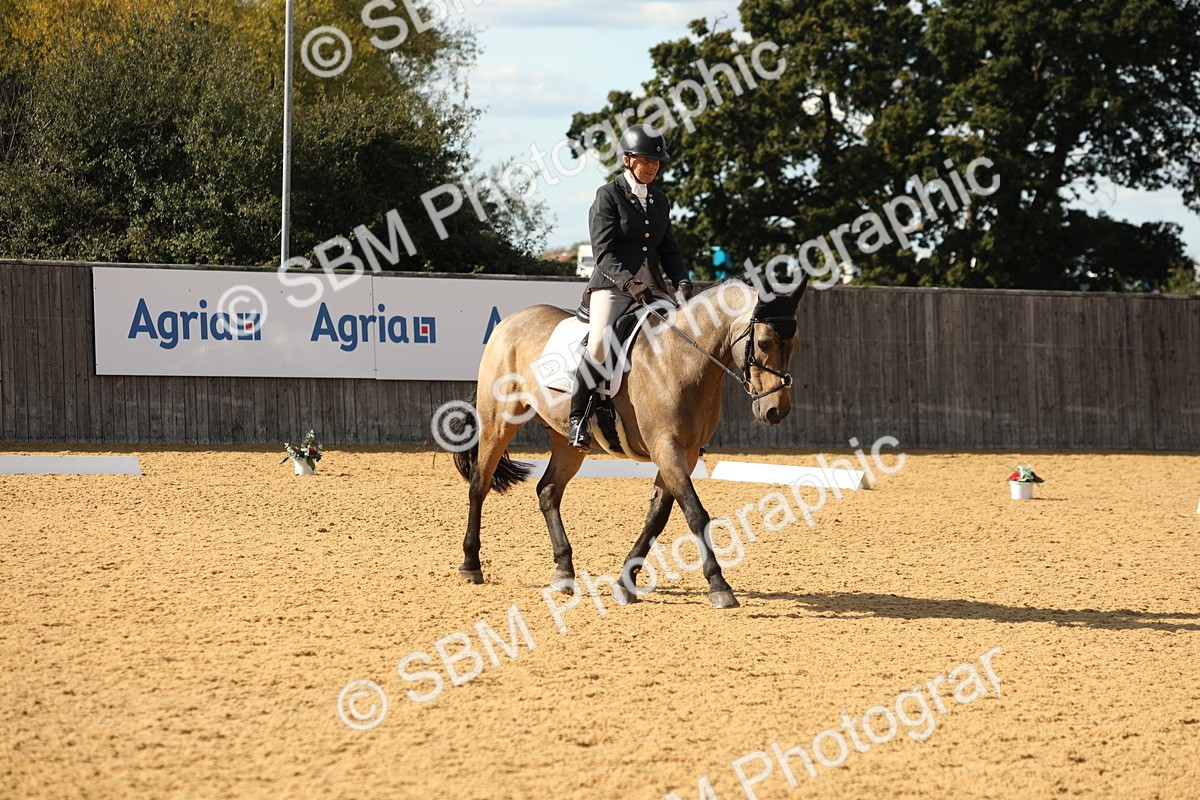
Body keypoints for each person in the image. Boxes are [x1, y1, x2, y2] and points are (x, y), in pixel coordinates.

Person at [568, 123, 693, 449]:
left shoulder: (660, 200)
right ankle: (578, 417)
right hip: (611, 286)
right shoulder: (607, 196)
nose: (652, 167)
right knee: (598, 344)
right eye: (646, 161)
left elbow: (669, 249)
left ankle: (678, 421)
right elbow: (603, 253)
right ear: (627, 160)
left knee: (680, 341)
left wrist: (681, 279)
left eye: (656, 162)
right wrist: (630, 283)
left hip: (651, 288)